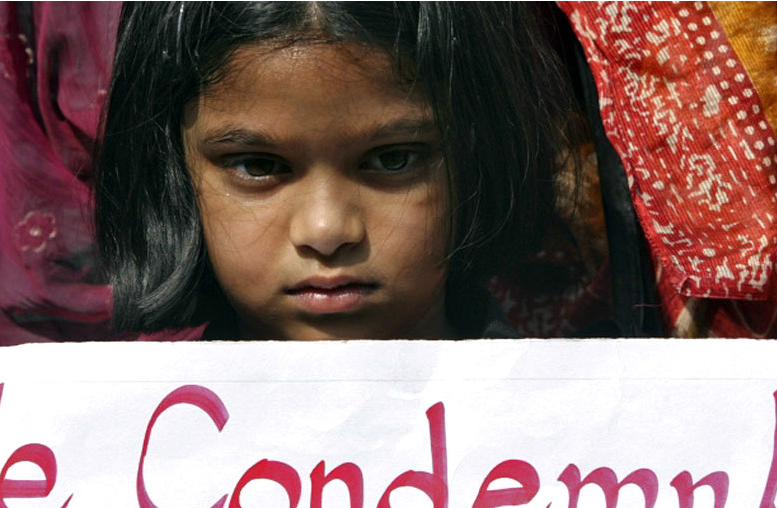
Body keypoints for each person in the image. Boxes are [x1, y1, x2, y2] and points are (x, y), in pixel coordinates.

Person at [94, 2, 576, 340]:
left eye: (393, 159)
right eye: (258, 166)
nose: (326, 232)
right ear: (173, 172)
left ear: (480, 154)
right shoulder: (135, 443)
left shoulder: (571, 435)